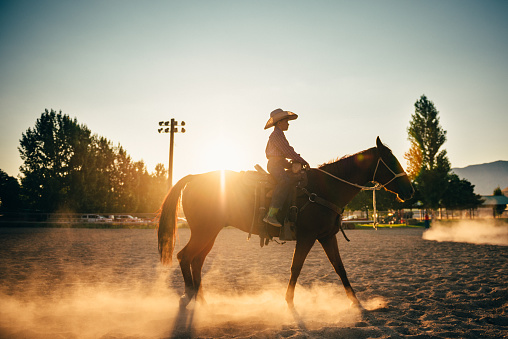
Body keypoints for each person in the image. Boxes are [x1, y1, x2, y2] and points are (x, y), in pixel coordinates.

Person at [263, 108, 309, 227]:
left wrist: (292, 163)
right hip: (274, 165)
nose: (288, 124)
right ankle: (271, 215)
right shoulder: (276, 135)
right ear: (279, 123)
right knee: (284, 181)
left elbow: (285, 153)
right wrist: (302, 161)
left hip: (279, 163)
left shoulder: (279, 134)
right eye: (286, 121)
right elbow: (288, 151)